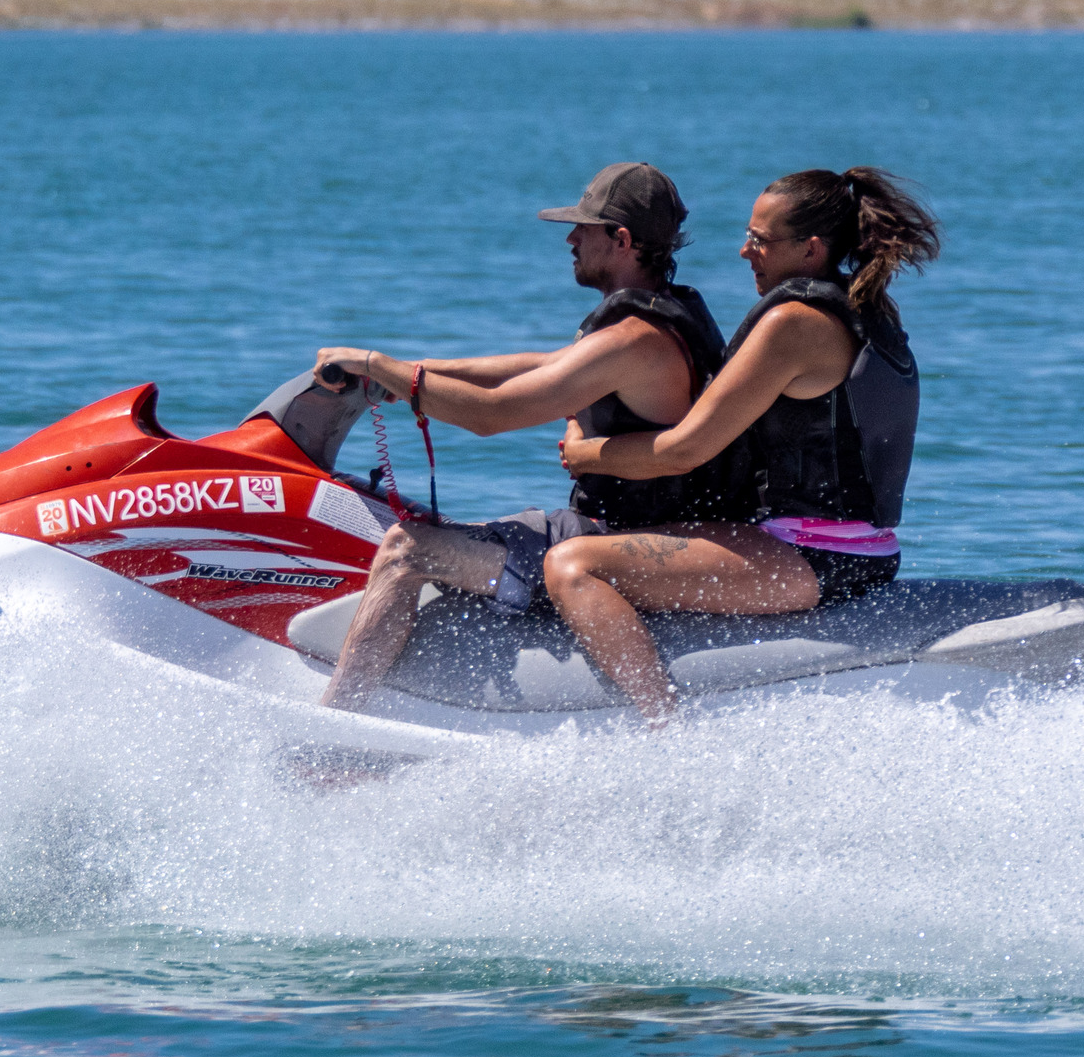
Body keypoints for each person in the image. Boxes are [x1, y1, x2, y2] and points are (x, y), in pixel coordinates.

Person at [311, 161, 728, 711]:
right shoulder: (660, 320)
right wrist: (407, 370)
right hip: (613, 526)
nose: (571, 238)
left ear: (622, 240)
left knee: (404, 550)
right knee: (436, 528)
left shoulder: (635, 340)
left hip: (618, 541)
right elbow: (540, 366)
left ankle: (332, 729)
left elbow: (492, 415)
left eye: (584, 227)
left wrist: (378, 364)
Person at [548, 166, 941, 721]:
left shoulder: (793, 324)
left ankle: (663, 731)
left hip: (814, 554)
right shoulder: (865, 310)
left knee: (574, 564)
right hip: (851, 545)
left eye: (760, 240)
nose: (743, 251)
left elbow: (686, 448)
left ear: (810, 249)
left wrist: (583, 453)